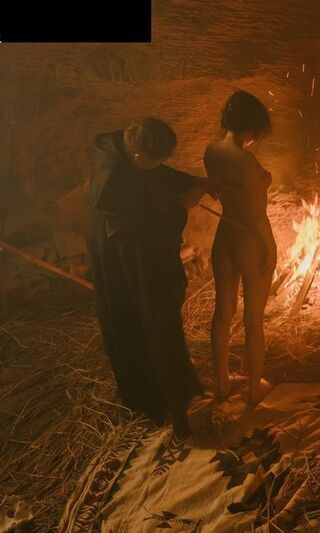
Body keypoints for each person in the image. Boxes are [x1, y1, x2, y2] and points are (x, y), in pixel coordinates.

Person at [88, 117, 207, 437]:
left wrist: (196, 181)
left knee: (163, 323)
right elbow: (142, 230)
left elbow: (157, 175)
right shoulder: (112, 186)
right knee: (150, 326)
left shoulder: (129, 155)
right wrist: (182, 208)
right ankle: (158, 401)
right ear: (139, 156)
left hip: (143, 259)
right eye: (157, 159)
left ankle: (179, 387)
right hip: (130, 270)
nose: (160, 164)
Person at [204, 90, 276, 404]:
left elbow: (223, 190)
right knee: (253, 320)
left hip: (225, 235)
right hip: (249, 238)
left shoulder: (211, 150)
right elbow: (257, 214)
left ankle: (221, 383)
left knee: (223, 313)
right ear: (252, 126)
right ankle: (254, 389)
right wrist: (270, 248)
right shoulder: (245, 160)